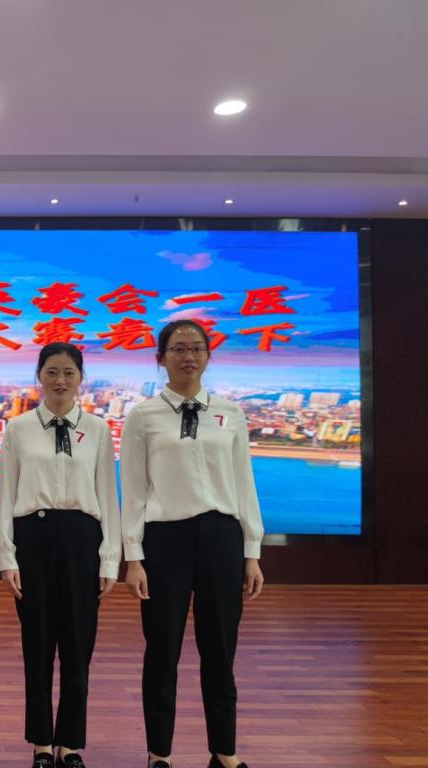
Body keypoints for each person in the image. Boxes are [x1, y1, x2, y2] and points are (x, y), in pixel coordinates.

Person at [121, 320, 265, 768]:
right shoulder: (143, 415)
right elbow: (134, 490)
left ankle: (224, 752)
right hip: (166, 541)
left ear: (208, 355)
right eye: (179, 349)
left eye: (197, 348)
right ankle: (159, 753)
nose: (188, 356)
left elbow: (243, 482)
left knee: (220, 649)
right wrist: (134, 556)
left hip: (222, 538)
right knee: (162, 650)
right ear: (160, 358)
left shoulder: (230, 412)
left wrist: (252, 551)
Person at [0, 342, 122, 768]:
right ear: (40, 376)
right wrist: (7, 557)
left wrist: (110, 558)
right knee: (37, 644)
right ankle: (41, 743)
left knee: (78, 645)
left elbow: (108, 496)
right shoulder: (18, 428)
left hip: (83, 539)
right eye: (51, 371)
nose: (60, 380)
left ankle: (70, 744)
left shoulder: (98, 429)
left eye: (68, 372)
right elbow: (6, 495)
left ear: (80, 377)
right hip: (32, 538)